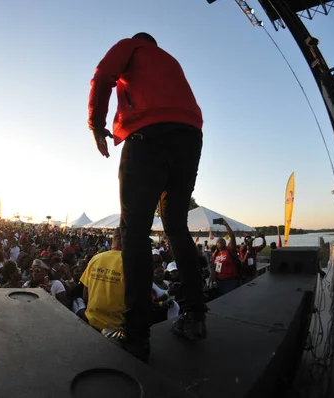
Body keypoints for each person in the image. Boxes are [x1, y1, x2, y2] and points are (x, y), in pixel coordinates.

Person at [88, 32, 205, 360]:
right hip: (190, 135)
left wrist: (96, 126)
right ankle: (195, 316)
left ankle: (136, 335)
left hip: (148, 133)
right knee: (176, 227)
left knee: (135, 230)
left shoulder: (130, 46)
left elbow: (102, 76)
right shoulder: (170, 60)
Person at [80, 227, 125, 332]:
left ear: (112, 239)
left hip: (90, 322)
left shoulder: (96, 259)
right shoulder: (131, 263)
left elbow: (85, 294)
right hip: (116, 329)